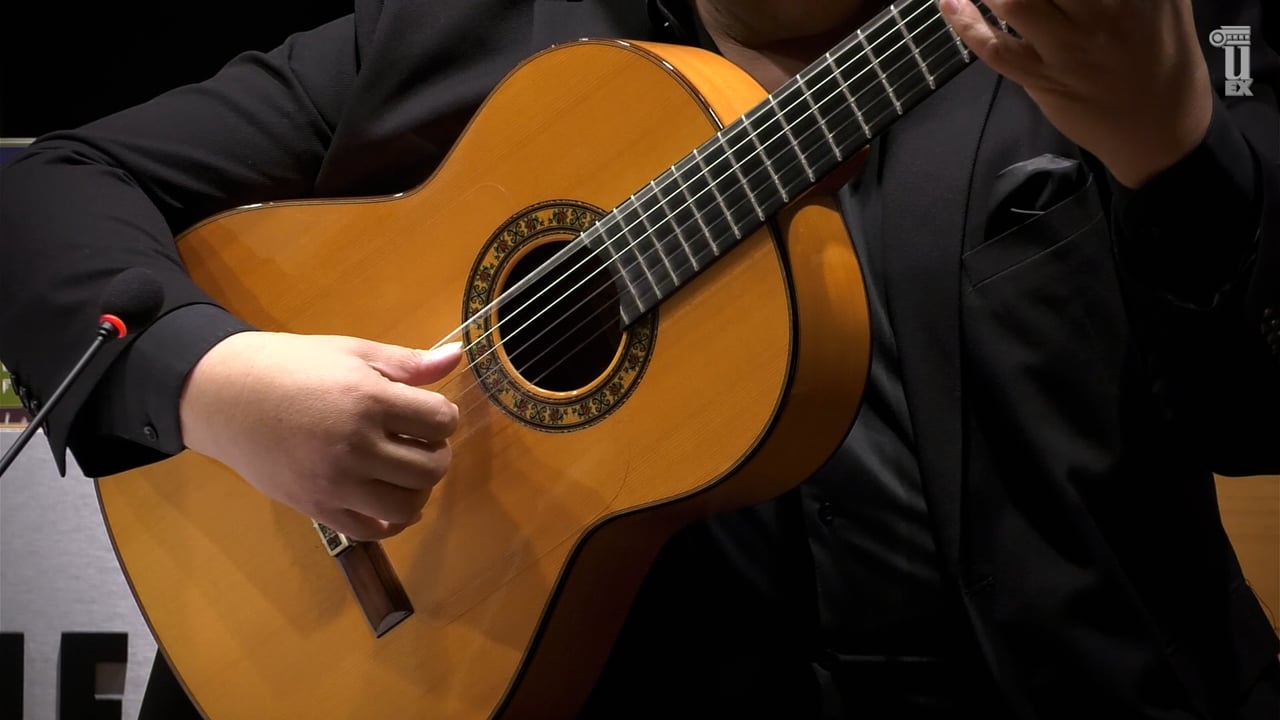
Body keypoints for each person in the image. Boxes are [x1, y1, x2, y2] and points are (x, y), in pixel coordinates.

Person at [1, 0, 1277, 717]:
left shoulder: (1107, 30)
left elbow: (1252, 408)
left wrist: (1167, 145)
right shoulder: (473, 30)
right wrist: (205, 382)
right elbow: (49, 188)